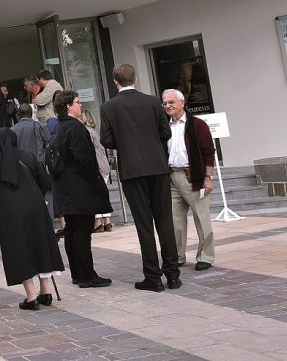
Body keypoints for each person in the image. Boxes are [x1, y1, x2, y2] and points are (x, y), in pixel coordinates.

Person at [99, 63, 181, 292]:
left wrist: (125, 143)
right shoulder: (154, 101)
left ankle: (153, 277)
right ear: (134, 78)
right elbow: (165, 132)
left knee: (144, 225)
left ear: (116, 82)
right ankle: (173, 275)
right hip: (157, 166)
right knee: (164, 221)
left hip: (132, 171)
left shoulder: (108, 107)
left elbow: (106, 140)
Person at [0, 128, 65, 311]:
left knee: (20, 251)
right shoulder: (27, 156)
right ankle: (46, 291)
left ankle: (31, 297)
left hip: (10, 213)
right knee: (40, 245)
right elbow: (43, 181)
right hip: (35, 207)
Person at [51, 90, 113, 288]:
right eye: (77, 102)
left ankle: (78, 273)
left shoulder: (60, 127)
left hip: (66, 187)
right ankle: (87, 275)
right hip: (79, 188)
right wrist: (94, 182)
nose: (80, 106)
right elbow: (84, 160)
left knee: (72, 230)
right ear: (68, 106)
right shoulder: (76, 128)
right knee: (81, 231)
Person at [161, 89, 216, 271]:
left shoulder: (197, 125)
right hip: (171, 177)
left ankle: (206, 257)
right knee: (175, 220)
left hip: (193, 176)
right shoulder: (163, 125)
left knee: (201, 218)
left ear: (182, 103)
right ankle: (177, 256)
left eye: (171, 102)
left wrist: (208, 177)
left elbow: (209, 152)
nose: (168, 106)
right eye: (165, 103)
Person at [82, 110, 114, 233]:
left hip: (97, 166)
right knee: (103, 193)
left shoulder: (87, 132)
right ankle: (108, 221)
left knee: (94, 194)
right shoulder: (94, 131)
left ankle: (98, 222)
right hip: (103, 165)